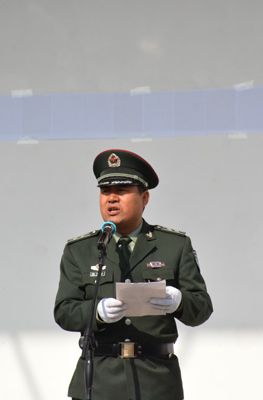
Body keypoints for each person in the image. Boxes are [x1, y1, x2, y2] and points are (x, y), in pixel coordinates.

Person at [54, 149, 213, 400]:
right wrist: (96, 312)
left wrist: (179, 301)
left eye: (122, 190)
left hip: (156, 382)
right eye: (105, 191)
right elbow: (64, 311)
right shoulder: (81, 250)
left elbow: (201, 308)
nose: (111, 198)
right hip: (100, 382)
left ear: (144, 197)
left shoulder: (174, 245)